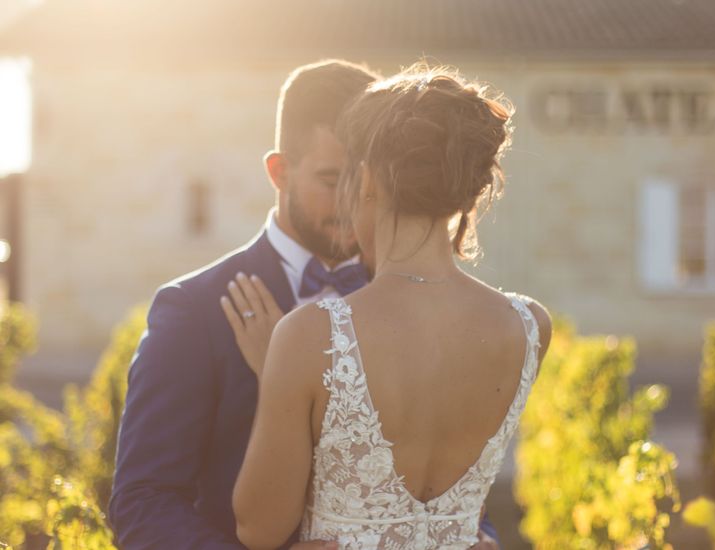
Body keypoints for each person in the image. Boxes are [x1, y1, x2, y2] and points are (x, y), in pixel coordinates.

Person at [110, 60, 506, 550]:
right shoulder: (194, 310)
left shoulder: (421, 298)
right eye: (329, 179)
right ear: (279, 172)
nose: (352, 201)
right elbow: (143, 502)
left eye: (362, 181)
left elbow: (446, 477)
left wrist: (479, 536)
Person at [224, 65, 552, 549]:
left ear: (370, 178)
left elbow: (259, 528)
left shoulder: (310, 337)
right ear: (469, 190)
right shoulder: (529, 326)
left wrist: (274, 375)